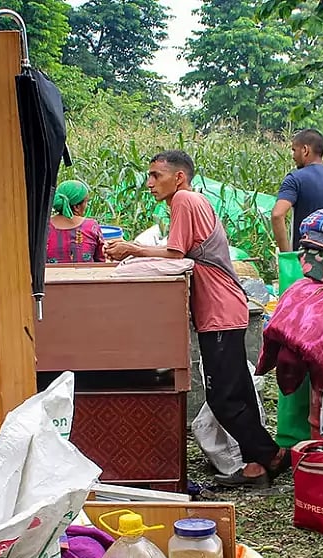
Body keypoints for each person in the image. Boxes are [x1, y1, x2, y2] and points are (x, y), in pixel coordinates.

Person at [105, 150, 288, 488]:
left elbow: (175, 254)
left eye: (156, 175)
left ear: (179, 177)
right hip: (222, 308)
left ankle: (271, 455)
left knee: (222, 396)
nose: (149, 183)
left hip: (220, 310)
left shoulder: (185, 200)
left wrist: (131, 248)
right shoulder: (190, 202)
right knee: (239, 391)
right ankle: (254, 466)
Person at [271, 129, 323, 252]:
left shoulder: (295, 179)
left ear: (305, 150)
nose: (293, 156)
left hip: (304, 260)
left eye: (294, 150)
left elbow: (277, 215)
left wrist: (287, 256)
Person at [46, 180, 105, 263]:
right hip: (86, 275)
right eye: (86, 201)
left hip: (49, 275)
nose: (86, 205)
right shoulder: (91, 226)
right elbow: (100, 260)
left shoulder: (44, 228)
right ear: (76, 207)